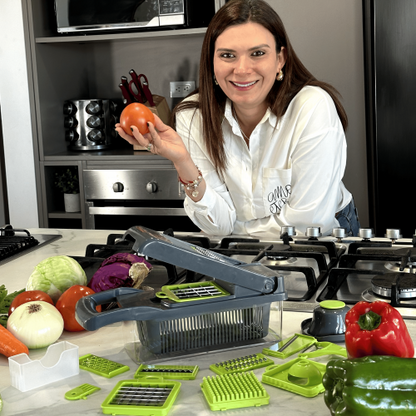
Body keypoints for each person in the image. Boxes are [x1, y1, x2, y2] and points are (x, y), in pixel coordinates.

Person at [115, 0, 360, 238]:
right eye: (228, 55)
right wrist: (183, 162)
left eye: (258, 53)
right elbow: (217, 225)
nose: (242, 69)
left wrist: (235, 232)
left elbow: (309, 222)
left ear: (280, 59)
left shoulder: (312, 106)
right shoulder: (192, 115)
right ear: (212, 62)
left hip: (324, 237)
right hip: (243, 242)